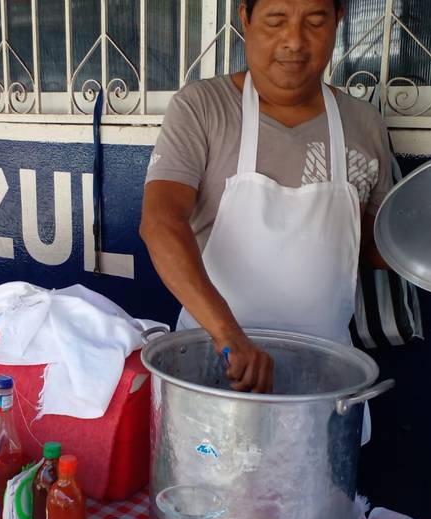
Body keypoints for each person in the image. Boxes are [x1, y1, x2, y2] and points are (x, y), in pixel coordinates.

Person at [141, 0, 393, 397]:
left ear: (338, 20)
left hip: (324, 379)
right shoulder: (203, 107)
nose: (294, 40)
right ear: (245, 18)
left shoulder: (364, 124)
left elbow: (372, 244)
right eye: (276, 20)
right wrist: (229, 336)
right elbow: (160, 224)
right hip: (215, 365)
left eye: (314, 21)